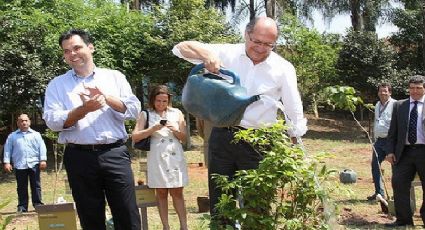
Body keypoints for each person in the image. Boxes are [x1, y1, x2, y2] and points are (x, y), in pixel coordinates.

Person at [173, 16, 307, 225]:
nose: (261, 48)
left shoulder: (283, 67)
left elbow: (293, 106)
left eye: (268, 44)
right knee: (221, 201)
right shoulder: (227, 52)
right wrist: (207, 55)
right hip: (223, 135)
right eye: (256, 41)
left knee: (257, 205)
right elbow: (180, 48)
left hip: (260, 141)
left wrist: (296, 139)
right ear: (246, 34)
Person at [43, 29, 141, 230]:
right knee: (90, 216)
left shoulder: (114, 77)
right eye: (67, 51)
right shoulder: (57, 85)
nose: (73, 53)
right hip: (79, 157)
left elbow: (133, 109)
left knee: (127, 213)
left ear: (90, 47)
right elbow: (52, 121)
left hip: (114, 153)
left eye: (77, 47)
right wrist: (82, 110)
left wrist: (106, 98)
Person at [132, 85, 188, 230]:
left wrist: (175, 129)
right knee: (161, 192)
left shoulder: (176, 113)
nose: (161, 104)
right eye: (158, 101)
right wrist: (153, 129)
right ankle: (166, 226)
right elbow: (135, 136)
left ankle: (184, 226)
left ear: (169, 100)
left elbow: (184, 138)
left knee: (177, 191)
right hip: (157, 156)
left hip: (174, 155)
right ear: (152, 100)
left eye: (164, 101)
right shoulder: (146, 114)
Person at [385, 75, 425, 227]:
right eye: (412, 88)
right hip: (404, 153)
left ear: (424, 88)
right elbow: (392, 132)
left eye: (418, 88)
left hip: (423, 151)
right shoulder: (400, 106)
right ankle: (403, 220)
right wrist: (390, 151)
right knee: (399, 183)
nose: (414, 91)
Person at [3, 114, 47, 213]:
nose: (24, 122)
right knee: (21, 187)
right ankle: (22, 207)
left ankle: (38, 205)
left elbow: (42, 147)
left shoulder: (36, 134)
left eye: (26, 120)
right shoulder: (12, 136)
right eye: (21, 121)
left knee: (36, 185)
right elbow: (7, 150)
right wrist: (7, 162)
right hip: (20, 165)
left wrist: (43, 160)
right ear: (18, 123)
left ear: (29, 122)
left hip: (34, 164)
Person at [367, 83, 396, 201]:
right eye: (380, 91)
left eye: (385, 91)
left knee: (396, 168)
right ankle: (379, 193)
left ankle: (397, 194)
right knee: (375, 165)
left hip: (391, 141)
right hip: (379, 141)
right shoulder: (378, 104)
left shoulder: (395, 105)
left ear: (390, 92)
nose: (383, 93)